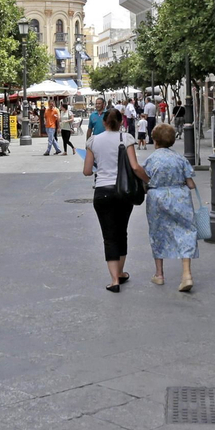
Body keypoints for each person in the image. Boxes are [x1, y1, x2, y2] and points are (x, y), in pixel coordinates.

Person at [83, 108, 148, 293]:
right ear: (121, 122)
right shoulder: (125, 138)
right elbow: (135, 167)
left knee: (109, 236)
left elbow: (87, 171)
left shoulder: (93, 141)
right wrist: (147, 180)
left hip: (102, 192)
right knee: (122, 232)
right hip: (123, 192)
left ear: (103, 122)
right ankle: (120, 272)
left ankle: (114, 280)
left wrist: (99, 163)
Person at [143, 124, 198, 292]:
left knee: (157, 233)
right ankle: (186, 274)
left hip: (157, 197)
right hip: (180, 197)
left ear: (155, 140)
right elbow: (190, 183)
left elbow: (146, 180)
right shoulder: (180, 158)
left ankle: (159, 274)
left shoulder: (152, 159)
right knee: (186, 232)